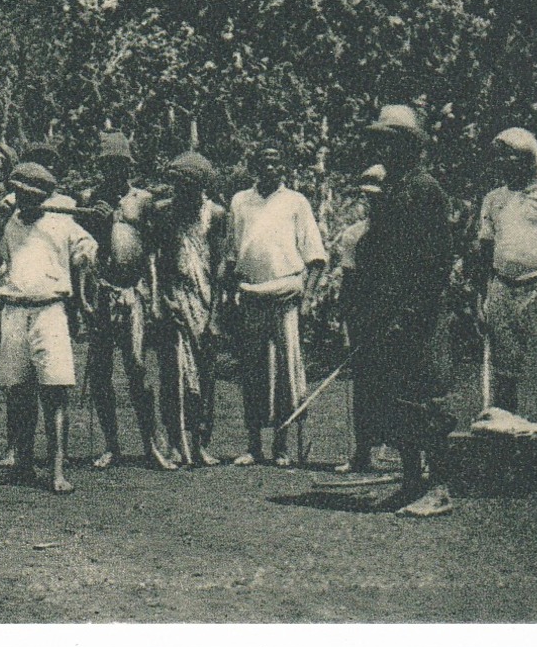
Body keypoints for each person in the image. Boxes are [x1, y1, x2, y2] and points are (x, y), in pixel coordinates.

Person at [354, 105, 458, 517]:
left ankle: (440, 486)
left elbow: (437, 261)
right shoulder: (392, 189)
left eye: (391, 142)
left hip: (418, 314)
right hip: (388, 310)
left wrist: (413, 311)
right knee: (395, 401)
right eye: (380, 142)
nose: (384, 149)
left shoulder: (425, 189)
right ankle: (412, 480)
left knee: (424, 403)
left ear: (410, 146)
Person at [0, 162, 98, 494]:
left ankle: (58, 468)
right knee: (18, 391)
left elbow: (87, 250)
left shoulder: (62, 223)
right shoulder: (5, 223)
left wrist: (84, 258)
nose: (25, 200)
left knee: (54, 392)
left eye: (33, 196)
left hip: (50, 310)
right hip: (14, 310)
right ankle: (23, 463)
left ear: (45, 196)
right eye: (20, 194)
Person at [225, 142, 327, 467]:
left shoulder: (296, 202)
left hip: (286, 296)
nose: (270, 168)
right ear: (254, 166)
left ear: (283, 167)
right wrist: (230, 296)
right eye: (264, 162)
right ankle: (254, 445)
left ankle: (280, 446)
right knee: (253, 370)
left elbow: (316, 257)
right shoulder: (240, 201)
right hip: (251, 295)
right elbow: (232, 253)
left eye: (275, 162)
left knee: (285, 370)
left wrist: (307, 298)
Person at [78, 133, 174, 471]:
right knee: (102, 372)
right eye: (109, 165)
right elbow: (83, 252)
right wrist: (84, 299)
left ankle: (152, 444)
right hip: (102, 290)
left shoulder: (142, 200)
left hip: (133, 291)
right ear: (102, 167)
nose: (115, 171)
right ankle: (111, 445)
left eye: (120, 165)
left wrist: (155, 295)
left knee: (137, 368)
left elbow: (152, 251)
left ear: (128, 166)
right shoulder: (90, 198)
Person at [472, 128, 537, 435]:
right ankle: (507, 445)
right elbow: (485, 250)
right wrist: (479, 297)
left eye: (509, 155)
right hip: (501, 286)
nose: (502, 161)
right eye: (499, 155)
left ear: (528, 159)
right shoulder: (493, 199)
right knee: (504, 375)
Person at [149, 151, 228, 468]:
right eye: (179, 187)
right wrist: (160, 301)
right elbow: (155, 262)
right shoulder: (163, 213)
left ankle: (199, 442)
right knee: (172, 375)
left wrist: (215, 317)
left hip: (204, 300)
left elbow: (219, 266)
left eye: (189, 187)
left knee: (205, 376)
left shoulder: (216, 215)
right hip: (173, 300)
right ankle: (173, 442)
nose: (184, 193)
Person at [332, 164, 385, 474]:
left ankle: (411, 457)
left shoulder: (404, 231)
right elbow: (348, 282)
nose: (374, 202)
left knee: (401, 385)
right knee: (364, 386)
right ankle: (362, 451)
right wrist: (345, 322)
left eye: (379, 196)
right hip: (364, 318)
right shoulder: (354, 235)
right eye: (369, 197)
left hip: (396, 317)